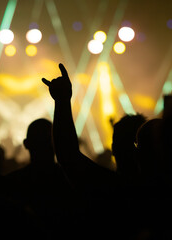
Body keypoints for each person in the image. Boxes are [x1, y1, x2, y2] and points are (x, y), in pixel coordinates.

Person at [42, 64, 134, 238]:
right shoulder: (167, 194)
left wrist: (62, 102)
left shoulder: (115, 189)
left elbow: (68, 156)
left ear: (115, 149)